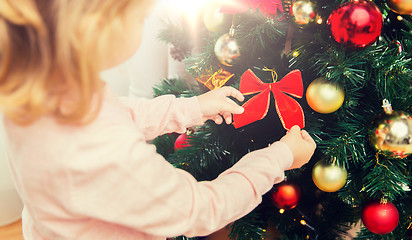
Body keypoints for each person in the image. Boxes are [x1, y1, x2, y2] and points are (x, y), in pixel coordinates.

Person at [0, 1, 317, 240]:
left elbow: (121, 114)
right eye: (139, 17)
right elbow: (198, 209)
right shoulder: (97, 148)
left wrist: (192, 108)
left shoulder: (42, 90)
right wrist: (279, 156)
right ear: (97, 29)